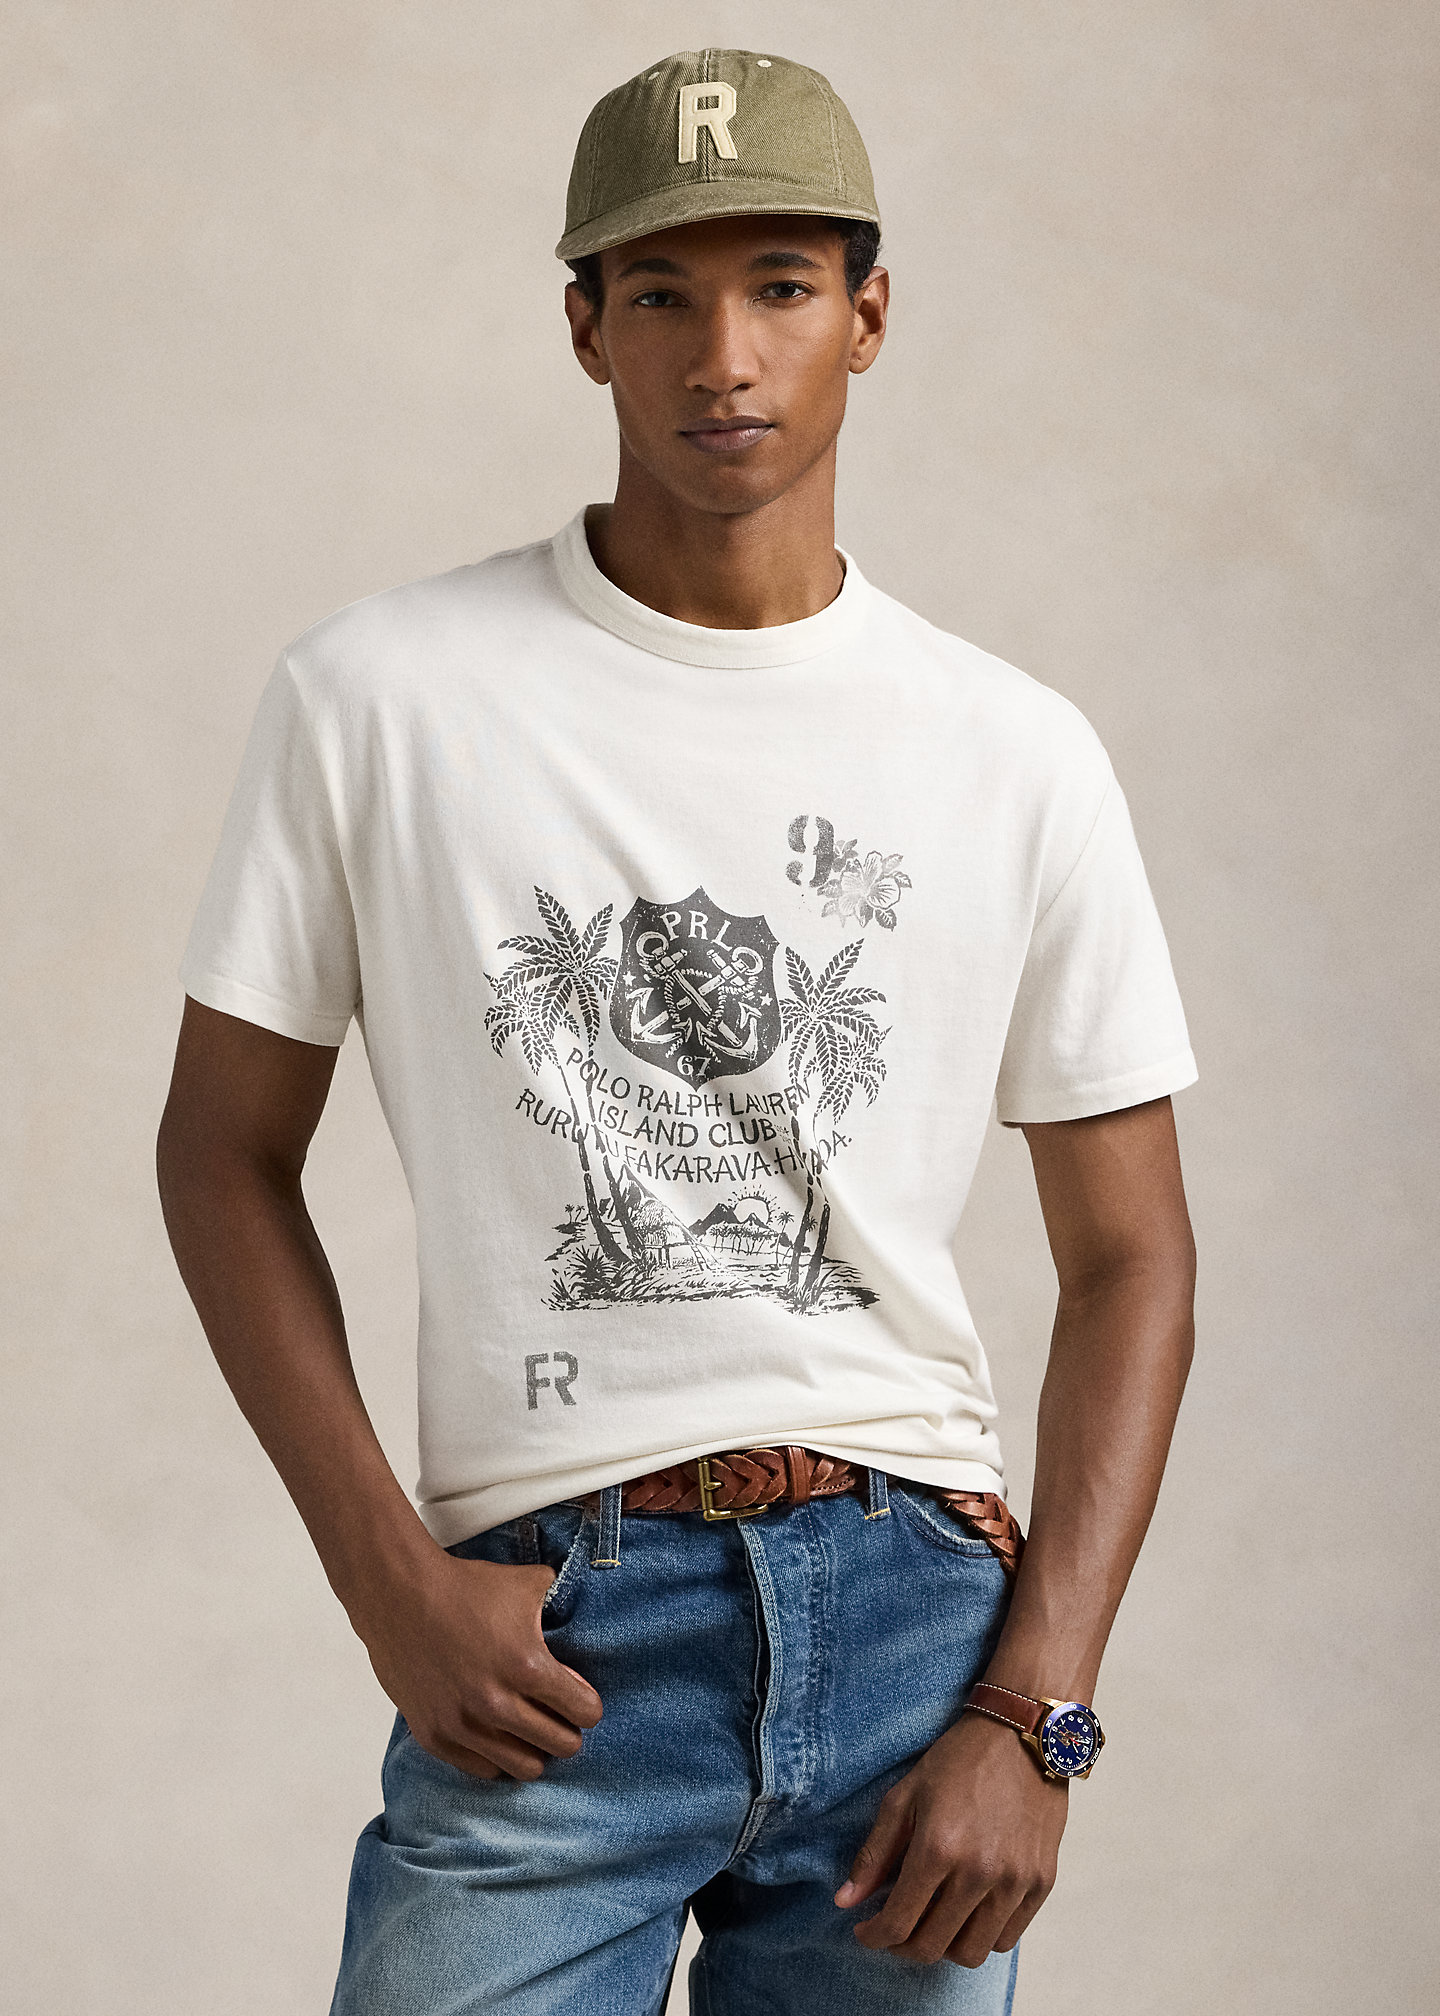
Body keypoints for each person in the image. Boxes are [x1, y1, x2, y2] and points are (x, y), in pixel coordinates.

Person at [157, 47, 1198, 2016]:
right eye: (662, 294)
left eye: (781, 285)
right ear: (585, 327)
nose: (725, 355)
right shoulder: (379, 698)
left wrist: (1039, 1709)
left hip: (918, 1630)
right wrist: (385, 1579)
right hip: (555, 1634)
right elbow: (219, 1152)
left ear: (868, 314)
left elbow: (1135, 1252)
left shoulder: (1015, 752)